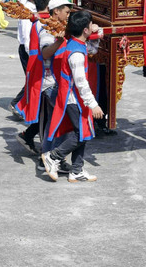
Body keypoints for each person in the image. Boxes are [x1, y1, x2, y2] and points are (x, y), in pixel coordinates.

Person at [42, 10, 103, 183]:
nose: (93, 26)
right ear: (85, 30)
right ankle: (53, 156)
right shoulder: (76, 53)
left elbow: (92, 48)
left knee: (82, 132)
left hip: (74, 97)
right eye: (90, 24)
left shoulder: (75, 43)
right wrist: (93, 104)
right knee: (82, 133)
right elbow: (80, 82)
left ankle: (76, 170)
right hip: (73, 98)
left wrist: (97, 33)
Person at [17, 0, 69, 161]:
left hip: (46, 74)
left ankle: (40, 146)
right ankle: (46, 156)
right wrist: (58, 43)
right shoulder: (44, 26)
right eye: (66, 12)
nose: (68, 15)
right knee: (49, 118)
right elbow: (45, 52)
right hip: (46, 77)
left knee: (48, 116)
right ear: (53, 10)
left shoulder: (47, 23)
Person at [10, 0, 43, 116]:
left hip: (31, 49)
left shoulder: (33, 9)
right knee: (32, 79)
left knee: (33, 79)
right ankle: (17, 105)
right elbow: (26, 34)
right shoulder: (27, 12)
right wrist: (32, 54)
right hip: (28, 49)